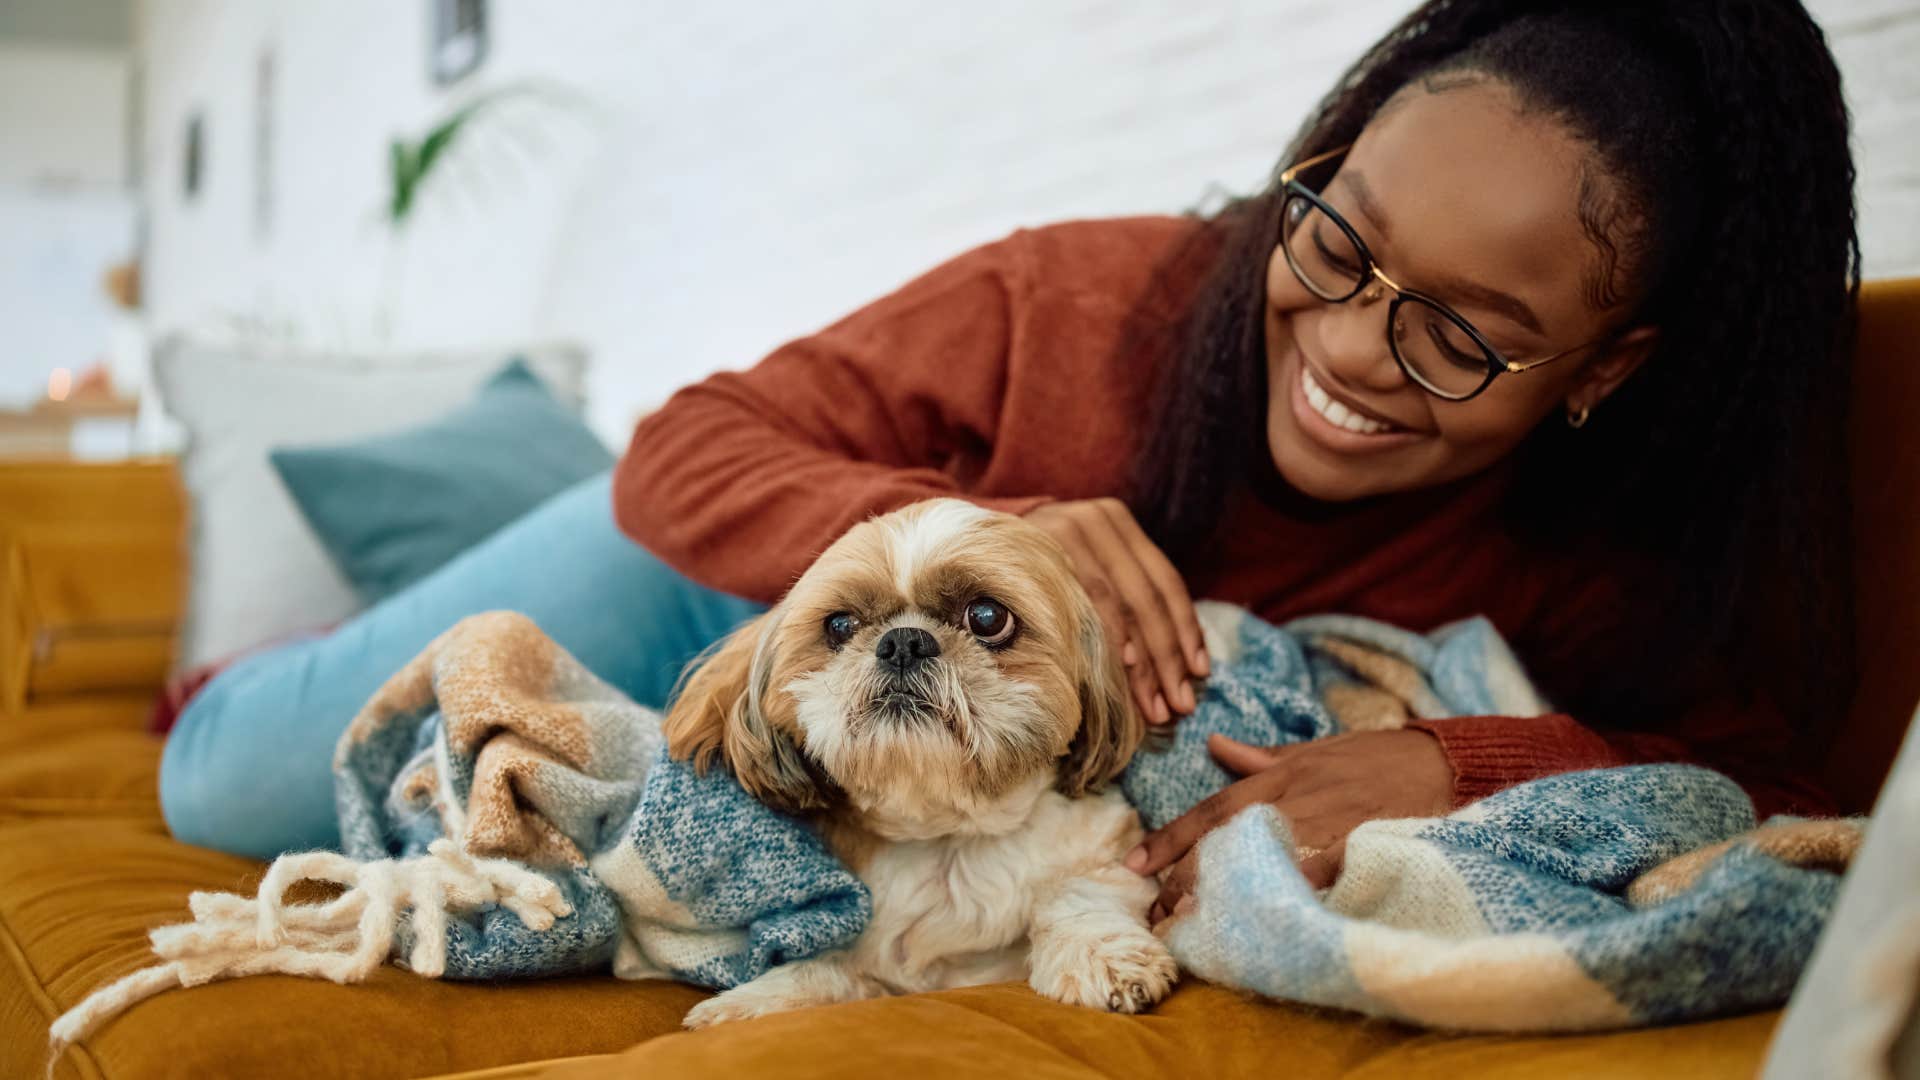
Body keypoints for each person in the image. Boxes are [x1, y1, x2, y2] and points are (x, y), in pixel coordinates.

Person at [162, 0, 1860, 924]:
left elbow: (1767, 774)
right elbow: (689, 449)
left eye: (1465, 336)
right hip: (751, 578)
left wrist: (1457, 765)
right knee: (222, 785)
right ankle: (287, 651)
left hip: (927, 759)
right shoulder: (1089, 296)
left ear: (1606, 370)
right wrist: (967, 536)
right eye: (1337, 242)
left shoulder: (1612, 551)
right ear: (1318, 168)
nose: (1348, 349)